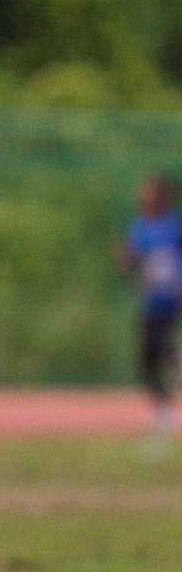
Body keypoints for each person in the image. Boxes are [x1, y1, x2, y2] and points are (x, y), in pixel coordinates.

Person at [116, 173, 182, 433]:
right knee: (146, 356)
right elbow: (129, 263)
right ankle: (162, 407)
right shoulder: (138, 226)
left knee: (157, 342)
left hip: (172, 295)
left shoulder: (173, 226)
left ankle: (174, 354)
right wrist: (125, 258)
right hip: (151, 297)